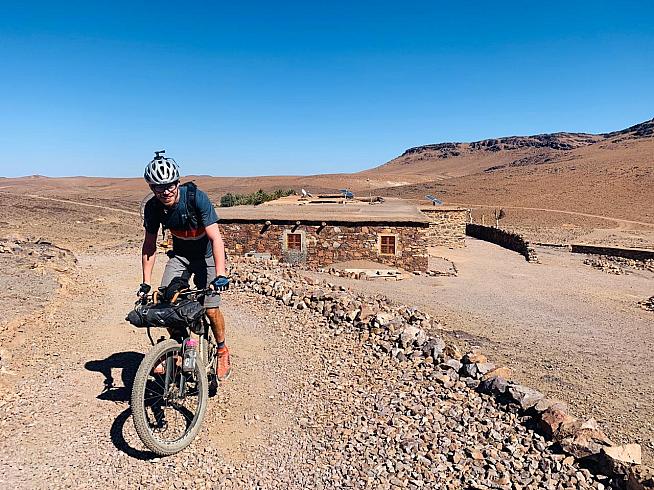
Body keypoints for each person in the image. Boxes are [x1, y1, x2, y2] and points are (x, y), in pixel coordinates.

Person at [138, 150, 232, 380]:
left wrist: (220, 274)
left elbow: (216, 238)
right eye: (158, 187)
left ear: (177, 182)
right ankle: (178, 349)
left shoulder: (196, 198)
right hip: (180, 256)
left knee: (210, 307)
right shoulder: (153, 208)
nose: (165, 191)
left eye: (170, 185)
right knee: (167, 306)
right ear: (151, 187)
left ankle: (222, 350)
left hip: (206, 255)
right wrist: (145, 283)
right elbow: (149, 246)